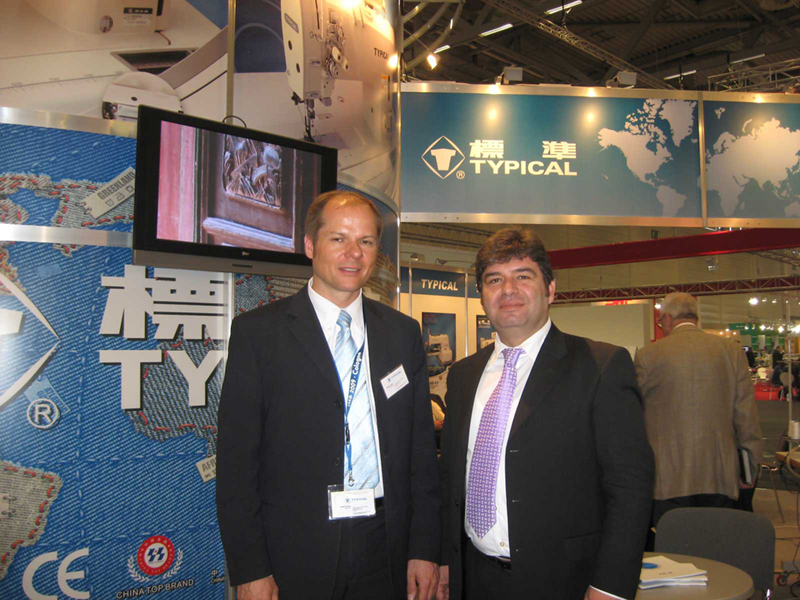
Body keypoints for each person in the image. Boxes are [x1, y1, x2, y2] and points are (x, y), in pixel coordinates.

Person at [216, 190, 440, 600]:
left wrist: (424, 549)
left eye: (366, 241)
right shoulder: (259, 334)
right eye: (338, 238)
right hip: (295, 549)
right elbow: (236, 465)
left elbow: (421, 453)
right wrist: (250, 569)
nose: (353, 253)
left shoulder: (402, 334)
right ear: (309, 245)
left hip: (385, 542)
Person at [436, 227, 654, 600]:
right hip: (473, 577)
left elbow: (630, 486)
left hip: (563, 580)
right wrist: (445, 558)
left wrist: (610, 585)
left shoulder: (600, 367)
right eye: (494, 280)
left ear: (550, 289)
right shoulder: (463, 375)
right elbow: (451, 477)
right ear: (482, 295)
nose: (508, 290)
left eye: (523, 276)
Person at [634, 292, 763, 532]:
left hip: (667, 477)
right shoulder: (732, 352)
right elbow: (746, 416)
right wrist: (750, 467)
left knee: (672, 548)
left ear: (668, 318)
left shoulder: (647, 355)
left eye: (661, 322)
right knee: (716, 544)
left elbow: (634, 417)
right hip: (720, 474)